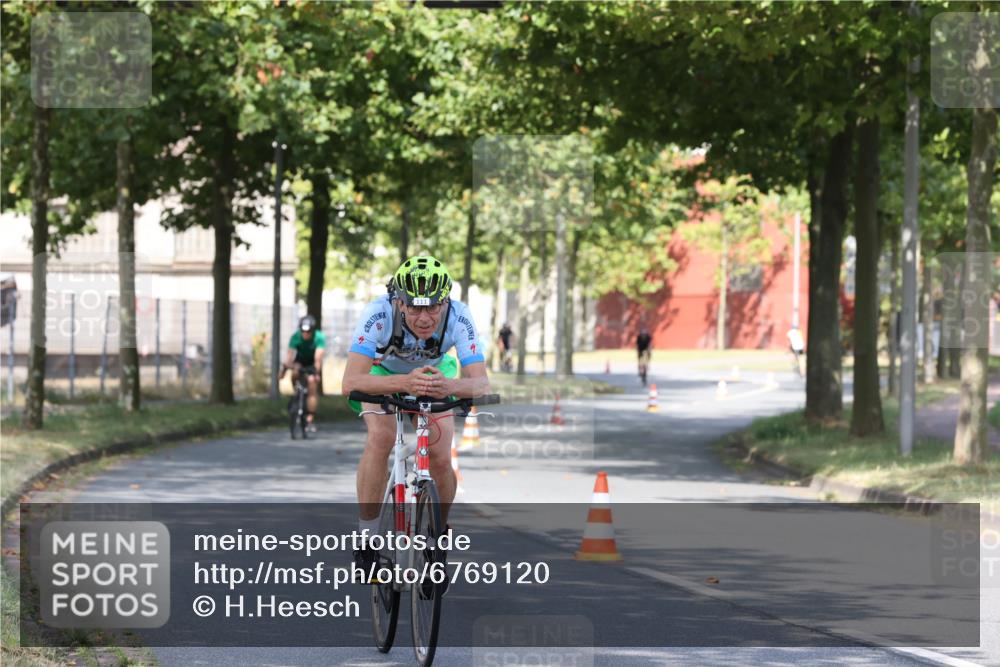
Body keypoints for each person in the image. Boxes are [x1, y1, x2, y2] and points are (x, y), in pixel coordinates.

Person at [341, 255, 490, 577]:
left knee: (439, 452)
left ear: (445, 301)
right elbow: (350, 382)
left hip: (436, 375)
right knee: (380, 437)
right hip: (381, 376)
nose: (424, 317)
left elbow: (481, 381)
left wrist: (450, 386)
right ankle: (366, 540)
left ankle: (437, 536)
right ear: (399, 301)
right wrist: (403, 382)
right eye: (414, 307)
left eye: (433, 308)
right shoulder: (377, 313)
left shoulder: (460, 316)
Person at [284, 315, 325, 432]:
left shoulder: (319, 337)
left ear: (312, 330)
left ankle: (310, 418)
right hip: (300, 361)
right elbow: (289, 357)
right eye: (303, 331)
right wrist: (285, 368)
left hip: (312, 362)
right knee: (295, 371)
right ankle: (296, 392)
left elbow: (318, 359)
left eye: (308, 331)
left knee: (312, 382)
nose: (305, 334)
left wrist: (316, 372)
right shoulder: (295, 337)